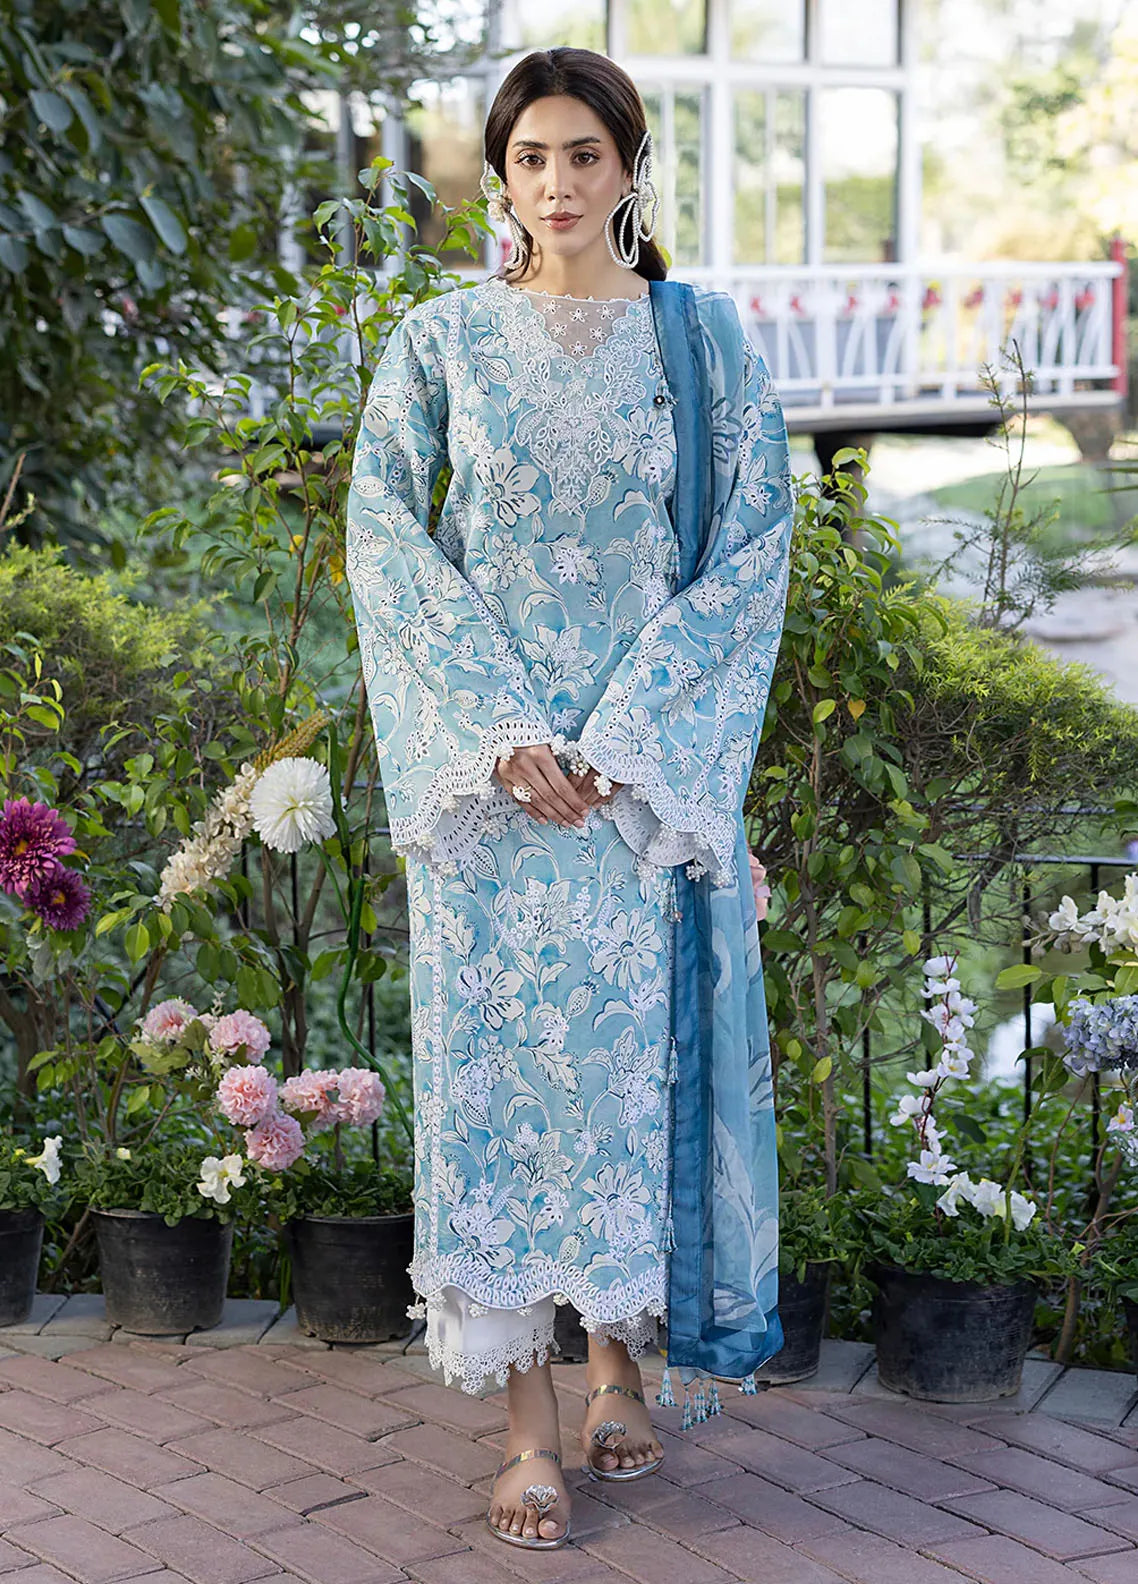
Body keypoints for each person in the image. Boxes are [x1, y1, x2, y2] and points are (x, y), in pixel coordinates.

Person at [345, 45, 793, 1553]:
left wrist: (629, 739)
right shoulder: (441, 342)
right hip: (494, 796)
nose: (553, 185)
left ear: (628, 167)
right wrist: (497, 734)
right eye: (527, 158)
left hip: (633, 791)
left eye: (581, 156)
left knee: (625, 1084)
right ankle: (526, 1423)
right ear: (498, 175)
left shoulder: (700, 343)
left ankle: (618, 1368)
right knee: (500, 1090)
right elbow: (385, 538)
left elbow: (750, 547)